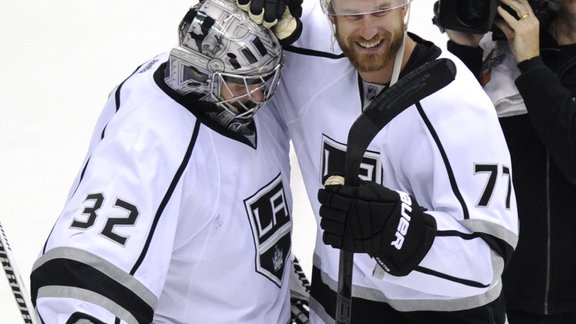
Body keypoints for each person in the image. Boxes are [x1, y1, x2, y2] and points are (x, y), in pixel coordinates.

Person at [28, 0, 294, 323]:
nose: (257, 97)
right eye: (243, 84)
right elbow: (84, 282)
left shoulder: (237, 103)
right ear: (200, 74)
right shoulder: (151, 144)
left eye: (262, 83)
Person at [256, 0, 520, 322]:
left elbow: (486, 259)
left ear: (405, 6)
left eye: (381, 11)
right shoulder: (305, 54)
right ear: (329, 11)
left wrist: (399, 230)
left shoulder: (457, 104)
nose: (368, 30)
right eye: (352, 16)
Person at [444, 0, 576, 322]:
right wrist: (465, 51)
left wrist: (531, 64)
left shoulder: (526, 49)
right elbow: (457, 145)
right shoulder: (509, 39)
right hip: (500, 288)